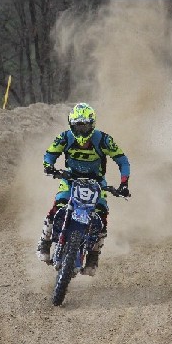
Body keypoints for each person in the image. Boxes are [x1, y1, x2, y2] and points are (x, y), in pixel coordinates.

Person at [36, 102, 130, 276]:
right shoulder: (64, 137)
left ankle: (93, 255)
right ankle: (45, 241)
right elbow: (49, 154)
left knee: (101, 216)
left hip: (97, 183)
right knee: (58, 206)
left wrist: (124, 183)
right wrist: (49, 166)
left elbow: (123, 161)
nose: (81, 131)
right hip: (70, 179)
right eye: (77, 126)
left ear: (92, 125)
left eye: (84, 126)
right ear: (71, 125)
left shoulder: (104, 140)